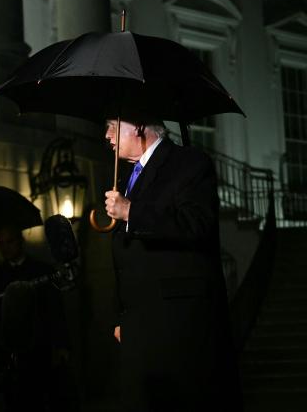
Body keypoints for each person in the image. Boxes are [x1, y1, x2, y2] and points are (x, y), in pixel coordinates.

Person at [102, 116, 242, 411]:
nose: (107, 135)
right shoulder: (131, 176)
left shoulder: (189, 163)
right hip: (141, 331)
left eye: (113, 127)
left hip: (179, 334)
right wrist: (123, 318)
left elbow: (196, 224)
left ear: (138, 126)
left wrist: (132, 212)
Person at [0, 225, 72, 412]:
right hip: (7, 352)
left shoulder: (42, 271)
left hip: (38, 348)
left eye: (10, 241)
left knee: (38, 398)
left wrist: (61, 345)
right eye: (1, 243)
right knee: (12, 400)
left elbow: (55, 310)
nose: (5, 247)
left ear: (21, 241)